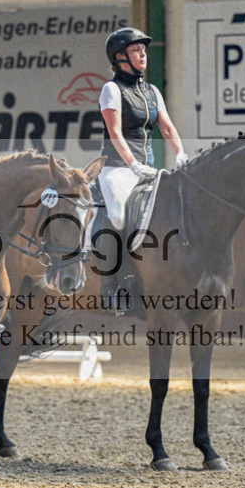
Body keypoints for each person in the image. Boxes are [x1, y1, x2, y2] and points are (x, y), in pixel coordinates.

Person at [96, 27, 187, 308]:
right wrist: (132, 164)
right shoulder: (112, 90)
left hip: (149, 169)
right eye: (137, 50)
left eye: (144, 49)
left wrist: (181, 153)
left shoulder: (152, 91)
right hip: (117, 169)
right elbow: (115, 133)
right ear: (120, 57)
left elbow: (167, 127)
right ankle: (111, 284)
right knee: (119, 215)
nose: (143, 54)